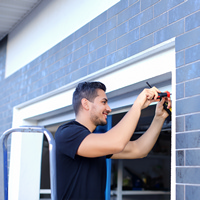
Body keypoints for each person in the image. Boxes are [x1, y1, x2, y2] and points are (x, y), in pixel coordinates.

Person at [55, 81, 171, 200]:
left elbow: (139, 149)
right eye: (103, 102)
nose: (109, 108)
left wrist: (159, 118)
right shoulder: (66, 133)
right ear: (86, 104)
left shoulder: (95, 142)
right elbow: (116, 143)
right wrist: (138, 104)